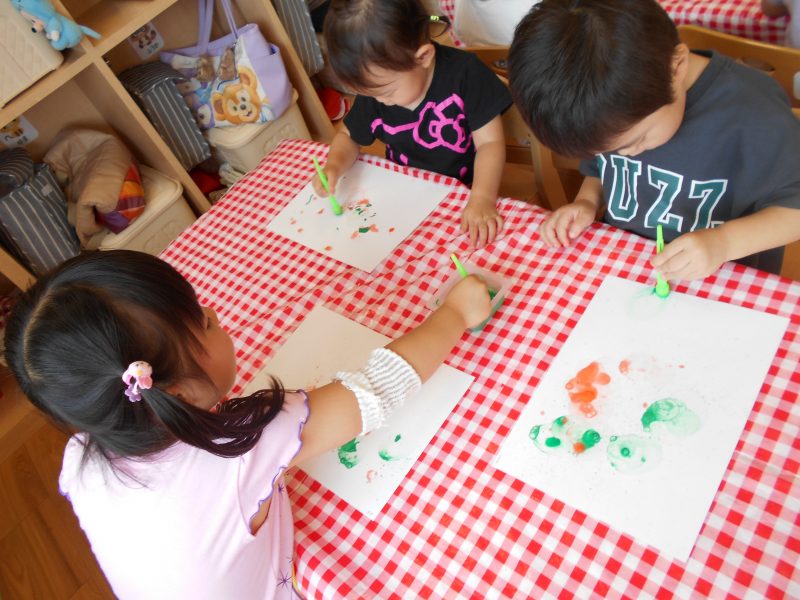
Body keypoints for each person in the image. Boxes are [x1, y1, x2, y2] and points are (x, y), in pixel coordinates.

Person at [4, 249, 491, 599]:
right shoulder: (239, 442)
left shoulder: (80, 456)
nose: (214, 311)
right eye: (201, 317)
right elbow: (376, 390)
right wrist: (453, 313)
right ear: (174, 394)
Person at [508, 0, 800, 280]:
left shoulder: (755, 114)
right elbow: (603, 167)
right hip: (635, 266)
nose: (626, 156)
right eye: (610, 151)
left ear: (676, 67)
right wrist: (587, 200)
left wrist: (723, 243)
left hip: (723, 277)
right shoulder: (607, 111)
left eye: (636, 141)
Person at [315, 0, 513, 249]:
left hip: (466, 193)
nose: (378, 101)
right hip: (407, 193)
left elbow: (490, 143)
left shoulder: (465, 74)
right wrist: (334, 165)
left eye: (386, 92)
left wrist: (482, 197)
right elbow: (348, 136)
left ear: (423, 57)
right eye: (367, 93)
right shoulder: (376, 89)